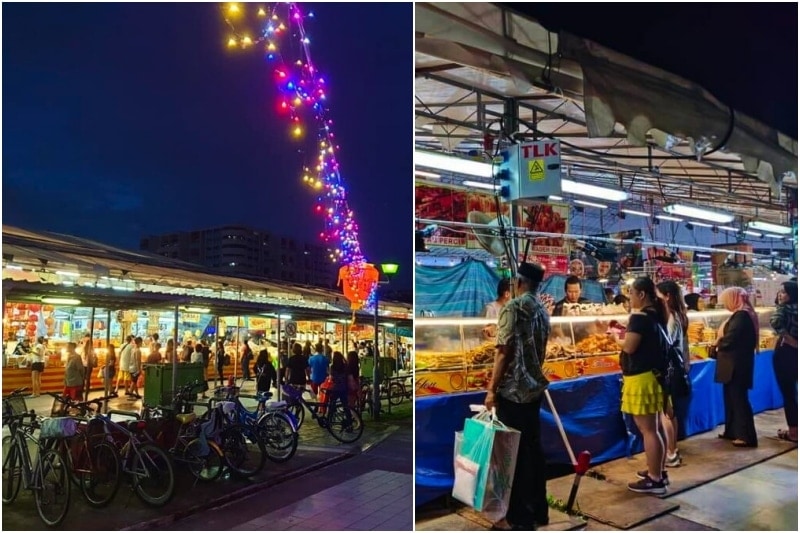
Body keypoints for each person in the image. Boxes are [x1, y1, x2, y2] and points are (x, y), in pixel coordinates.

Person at [484, 262, 550, 530]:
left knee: (514, 455)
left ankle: (519, 519)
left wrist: (491, 389)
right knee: (533, 451)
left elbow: (503, 352)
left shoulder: (513, 307)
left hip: (513, 392)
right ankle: (538, 511)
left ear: (518, 282)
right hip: (534, 390)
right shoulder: (543, 309)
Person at [618, 276, 670, 494]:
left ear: (641, 294)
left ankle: (655, 479)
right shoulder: (657, 315)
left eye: (631, 293)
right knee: (656, 426)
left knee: (648, 430)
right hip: (654, 377)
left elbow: (629, 347)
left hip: (641, 378)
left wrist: (616, 339)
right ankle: (659, 469)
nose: (629, 297)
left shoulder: (639, 318)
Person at [711, 287, 759, 448]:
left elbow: (731, 339)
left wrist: (717, 344)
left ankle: (746, 436)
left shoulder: (742, 316)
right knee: (731, 399)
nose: (725, 305)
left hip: (735, 365)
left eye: (726, 301)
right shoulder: (742, 314)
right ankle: (732, 431)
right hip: (735, 364)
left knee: (738, 400)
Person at [656, 281, 690, 468]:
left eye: (658, 294)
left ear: (667, 296)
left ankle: (670, 453)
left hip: (669, 368)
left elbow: (667, 343)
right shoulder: (680, 315)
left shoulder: (672, 317)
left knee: (666, 413)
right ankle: (673, 450)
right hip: (676, 367)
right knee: (671, 412)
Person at [770, 281, 797, 442]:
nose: (781, 294)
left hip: (786, 352)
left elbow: (775, 322)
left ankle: (794, 432)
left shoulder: (783, 308)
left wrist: (788, 337)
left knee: (789, 393)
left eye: (784, 292)